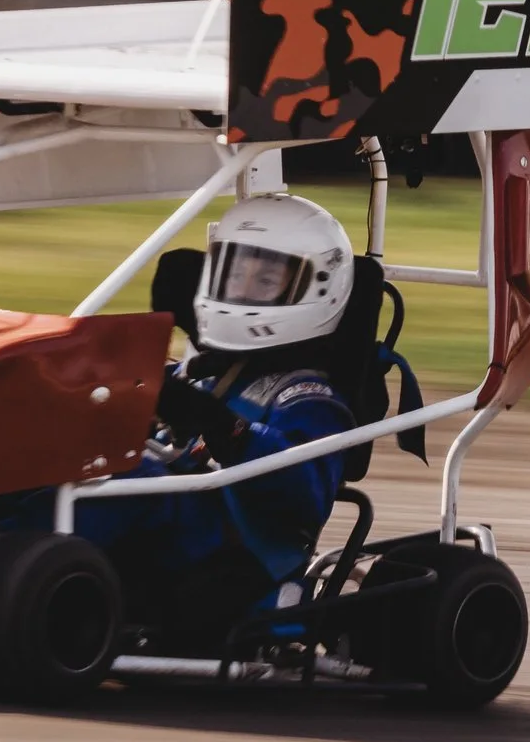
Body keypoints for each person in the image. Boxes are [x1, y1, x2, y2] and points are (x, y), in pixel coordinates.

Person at [76, 193, 359, 650]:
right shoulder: (198, 372)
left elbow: (303, 489)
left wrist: (226, 428)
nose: (244, 288)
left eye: (265, 279)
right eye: (235, 273)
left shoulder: (308, 397)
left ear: (317, 288)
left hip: (232, 550)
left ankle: (20, 567)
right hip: (170, 531)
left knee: (130, 477)